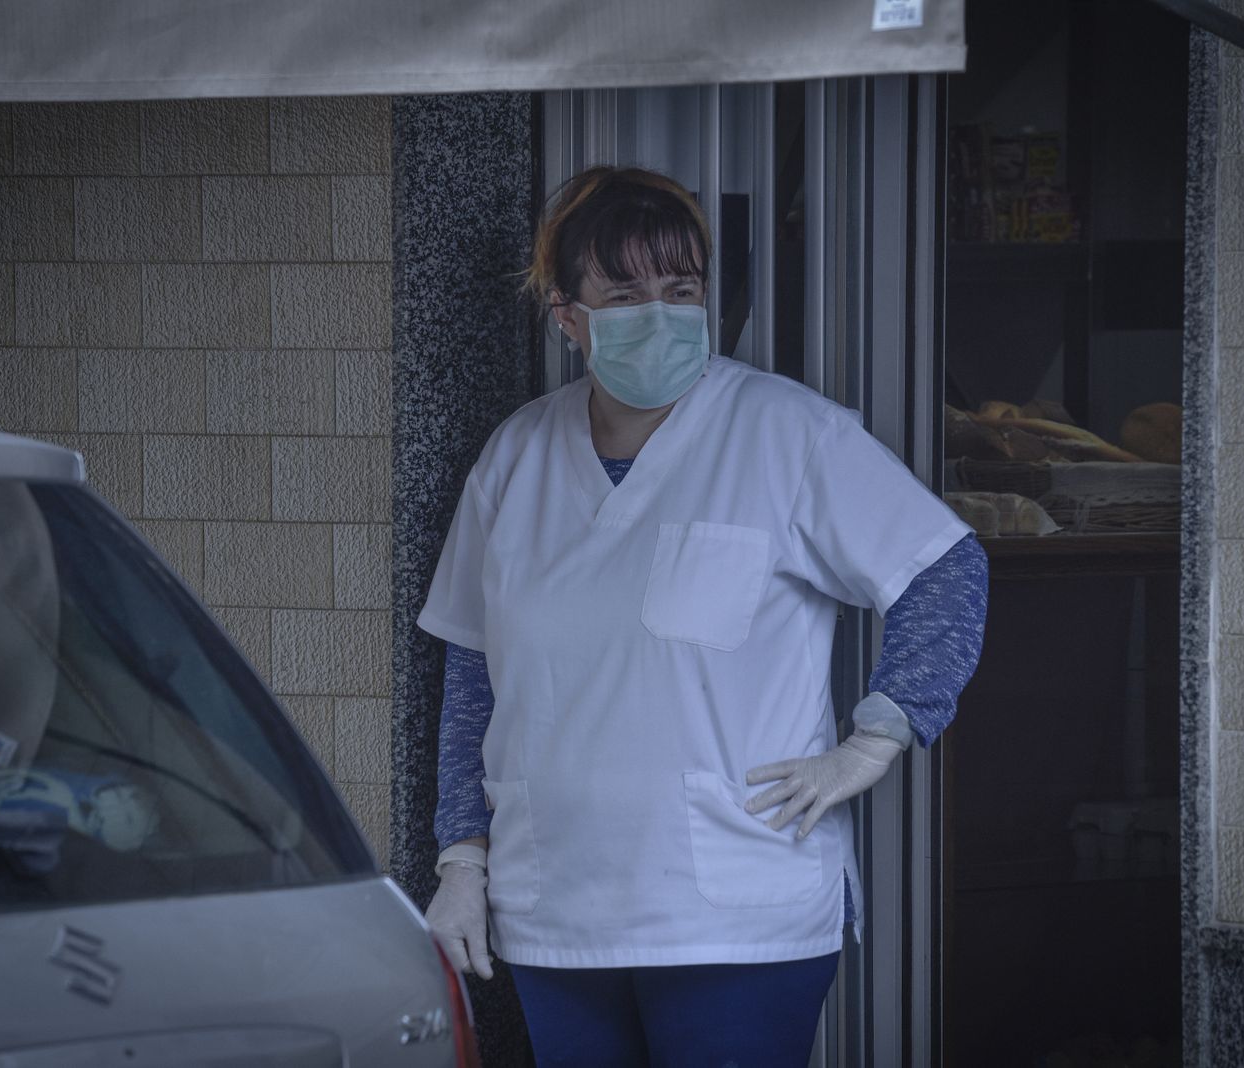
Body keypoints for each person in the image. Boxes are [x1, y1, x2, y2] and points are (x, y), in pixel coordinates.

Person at [419, 165, 989, 1067]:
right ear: (568, 317)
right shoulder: (516, 457)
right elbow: (471, 675)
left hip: (735, 915)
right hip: (553, 909)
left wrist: (879, 735)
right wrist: (461, 861)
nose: (662, 312)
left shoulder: (787, 434)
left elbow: (944, 569)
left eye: (681, 289)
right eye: (627, 292)